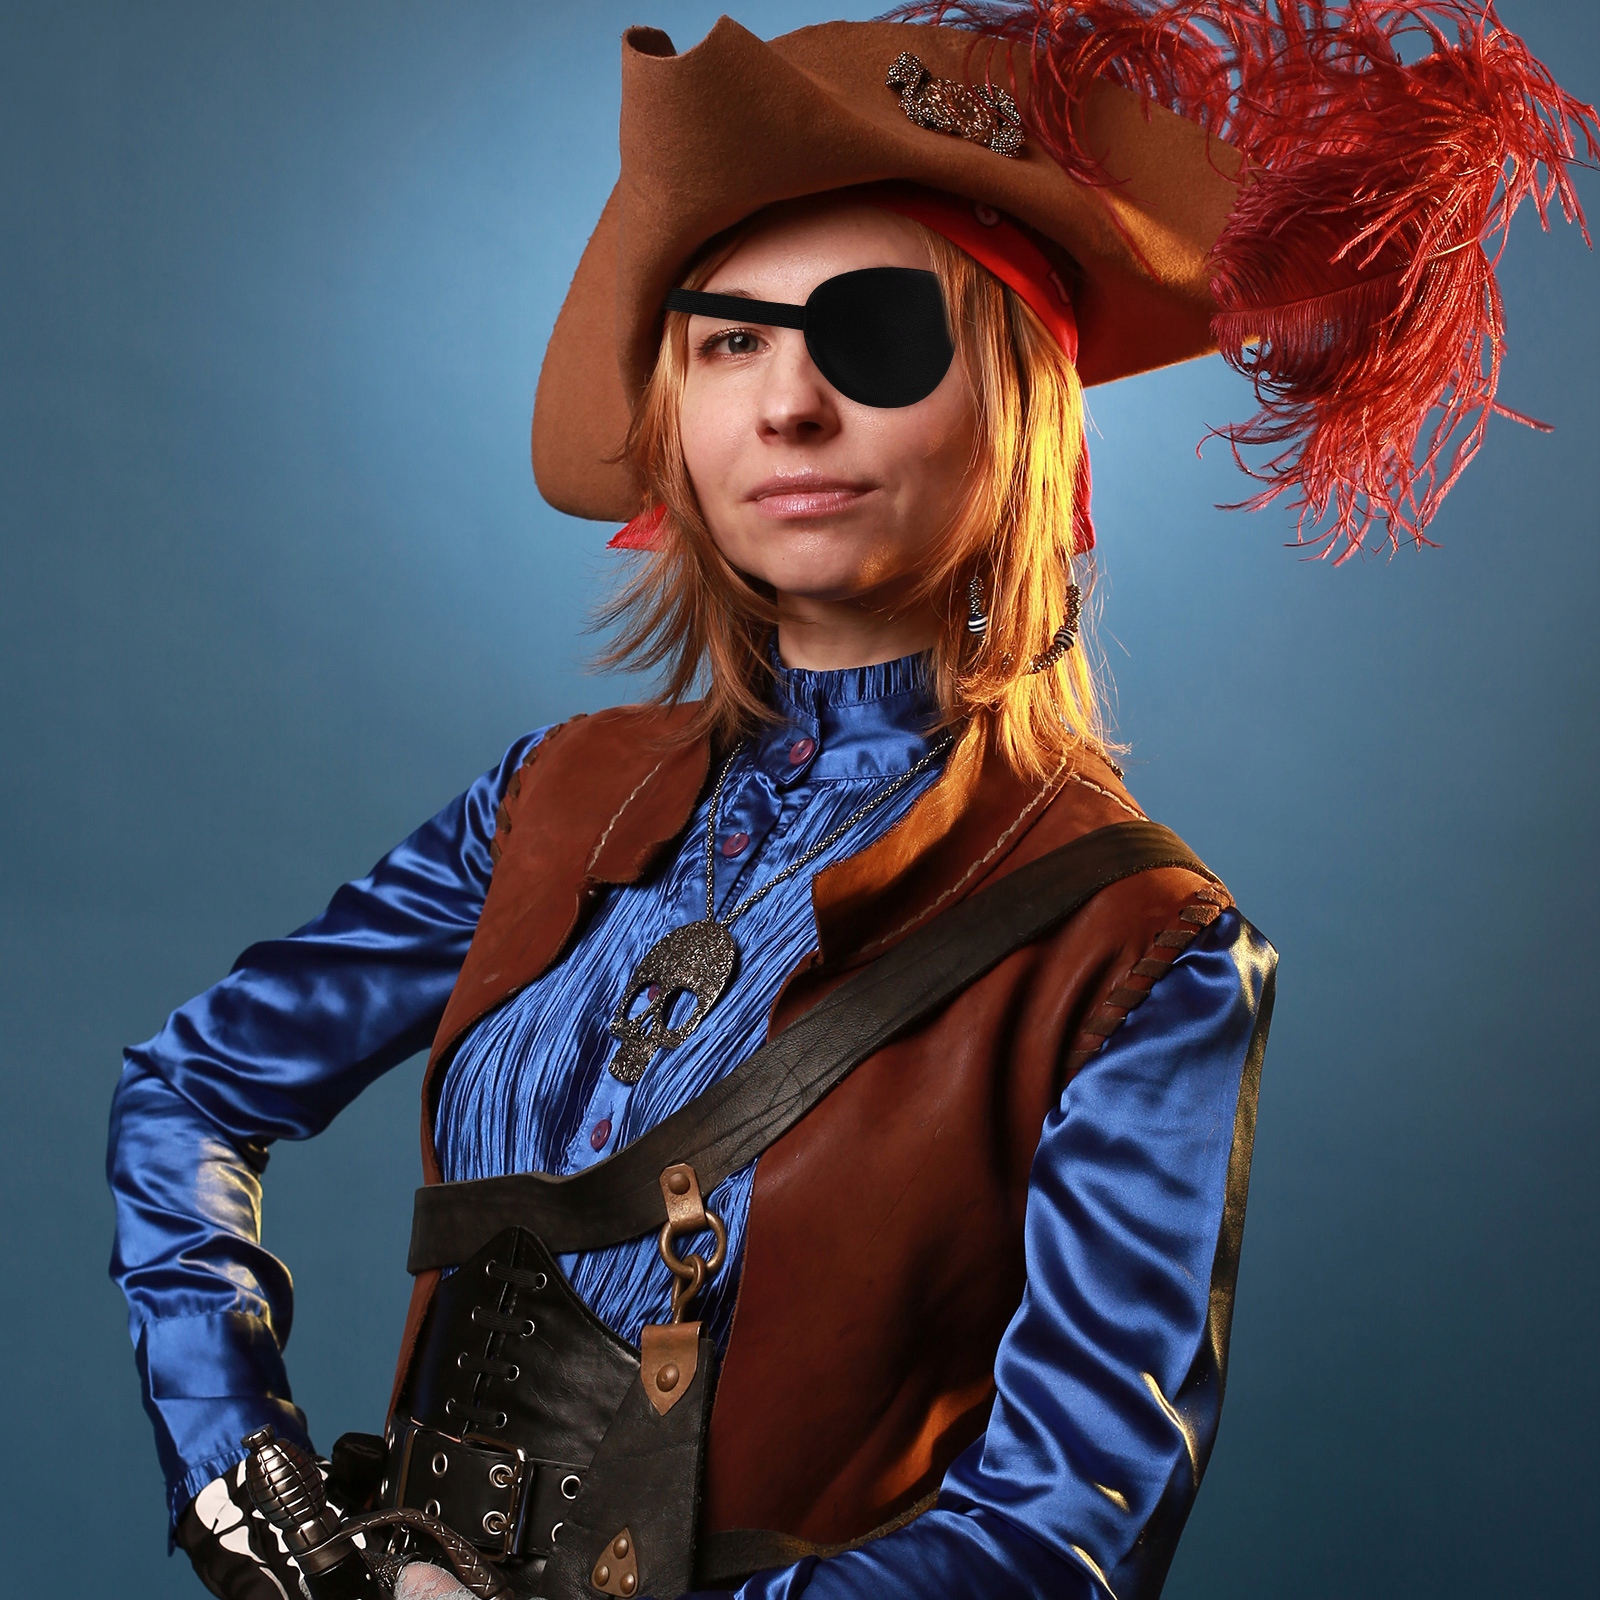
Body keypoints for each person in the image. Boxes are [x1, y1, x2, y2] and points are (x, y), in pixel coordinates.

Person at [107, 5, 1597, 1599]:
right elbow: (185, 1089)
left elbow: (1061, 1530)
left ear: (1019, 405)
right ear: (676, 410)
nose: (788, 405)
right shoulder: (552, 797)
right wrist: (255, 1505)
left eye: (876, 336)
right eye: (730, 341)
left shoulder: (1140, 949)